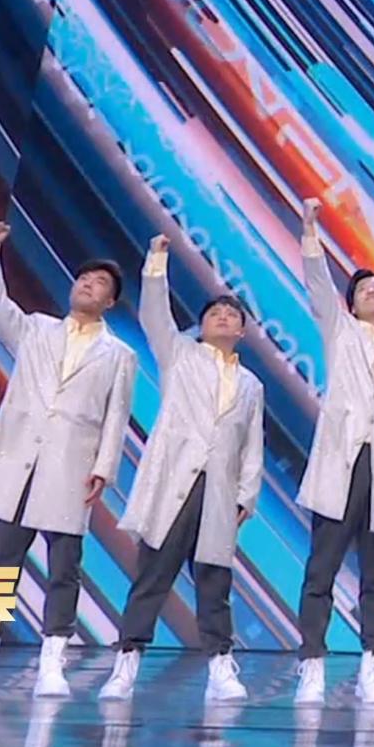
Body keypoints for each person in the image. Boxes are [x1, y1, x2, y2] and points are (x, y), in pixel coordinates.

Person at [0, 222, 136, 698]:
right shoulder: (37, 328)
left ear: (109, 302)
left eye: (99, 283)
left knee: (64, 567)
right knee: (0, 564)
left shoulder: (118, 355)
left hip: (70, 469)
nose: (88, 285)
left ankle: (52, 664)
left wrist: (104, 467)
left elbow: (116, 415)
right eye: (84, 278)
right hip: (20, 462)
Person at [98, 235, 265, 703]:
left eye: (232, 314)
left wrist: (246, 496)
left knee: (214, 582)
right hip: (176, 482)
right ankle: (126, 664)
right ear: (201, 326)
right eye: (215, 313)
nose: (224, 317)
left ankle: (221, 668)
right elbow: (155, 314)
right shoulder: (180, 356)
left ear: (242, 331)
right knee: (153, 576)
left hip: (219, 491)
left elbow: (252, 445)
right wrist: (156, 260)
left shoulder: (251, 384)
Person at [294, 197, 374, 706]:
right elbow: (317, 282)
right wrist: (310, 229)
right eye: (362, 288)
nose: (370, 291)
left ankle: (373, 661)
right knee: (321, 568)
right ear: (350, 306)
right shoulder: (340, 332)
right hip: (341, 460)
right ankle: (312, 662)